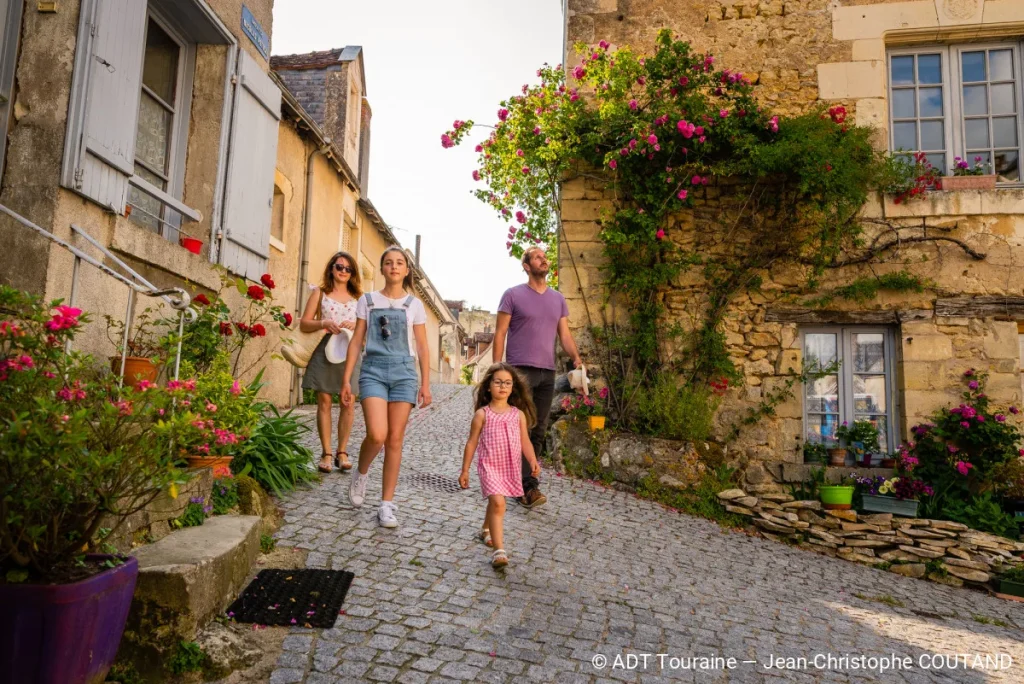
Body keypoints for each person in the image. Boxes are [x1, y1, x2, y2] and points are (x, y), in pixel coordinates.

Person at [342, 246, 432, 528]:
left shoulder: (414, 305)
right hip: (373, 371)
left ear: (406, 270)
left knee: (394, 439)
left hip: (404, 373)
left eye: (399, 263)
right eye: (389, 263)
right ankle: (361, 472)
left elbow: (422, 346)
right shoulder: (367, 301)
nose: (394, 267)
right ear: (382, 269)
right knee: (377, 435)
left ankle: (386, 505)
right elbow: (357, 340)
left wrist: (425, 383)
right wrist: (346, 379)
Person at [493, 246, 582, 508]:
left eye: (545, 256)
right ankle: (526, 488)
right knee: (522, 427)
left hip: (547, 371)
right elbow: (500, 333)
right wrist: (498, 370)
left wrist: (576, 357)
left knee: (539, 429)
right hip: (519, 370)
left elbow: (564, 335)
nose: (544, 259)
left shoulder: (558, 299)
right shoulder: (512, 295)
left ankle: (525, 483)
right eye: (537, 257)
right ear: (526, 266)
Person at [458, 363, 540, 568]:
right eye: (498, 382)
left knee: (496, 502)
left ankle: (486, 530)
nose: (502, 386)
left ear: (513, 388)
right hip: (490, 467)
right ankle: (499, 552)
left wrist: (532, 460)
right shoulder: (482, 415)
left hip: (509, 466)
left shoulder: (517, 415)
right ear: (488, 386)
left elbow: (525, 442)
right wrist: (465, 469)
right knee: (499, 503)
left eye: (507, 383)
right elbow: (472, 442)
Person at [299, 251, 361, 474]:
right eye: (339, 267)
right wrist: (323, 322)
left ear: (352, 273)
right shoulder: (320, 293)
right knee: (324, 401)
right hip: (324, 347)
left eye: (348, 268)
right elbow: (304, 324)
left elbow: (367, 330)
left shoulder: (360, 298)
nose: (343, 271)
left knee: (348, 401)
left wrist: (355, 326)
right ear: (332, 269)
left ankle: (342, 452)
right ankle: (326, 452)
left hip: (350, 350)